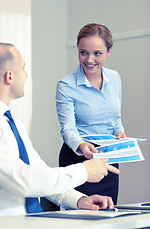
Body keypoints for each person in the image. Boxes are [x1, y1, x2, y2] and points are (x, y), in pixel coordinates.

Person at [0, 42, 120, 218]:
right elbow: (23, 180)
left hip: (29, 222)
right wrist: (83, 171)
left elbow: (39, 174)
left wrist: (79, 200)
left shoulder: (12, 123)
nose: (27, 75)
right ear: (9, 76)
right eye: (23, 68)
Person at [56, 23, 126, 205]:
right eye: (83, 52)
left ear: (108, 52)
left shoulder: (115, 78)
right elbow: (68, 128)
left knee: (107, 214)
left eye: (97, 53)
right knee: (82, 218)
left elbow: (115, 117)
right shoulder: (66, 85)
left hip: (107, 159)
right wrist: (81, 146)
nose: (89, 59)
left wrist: (120, 132)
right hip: (78, 159)